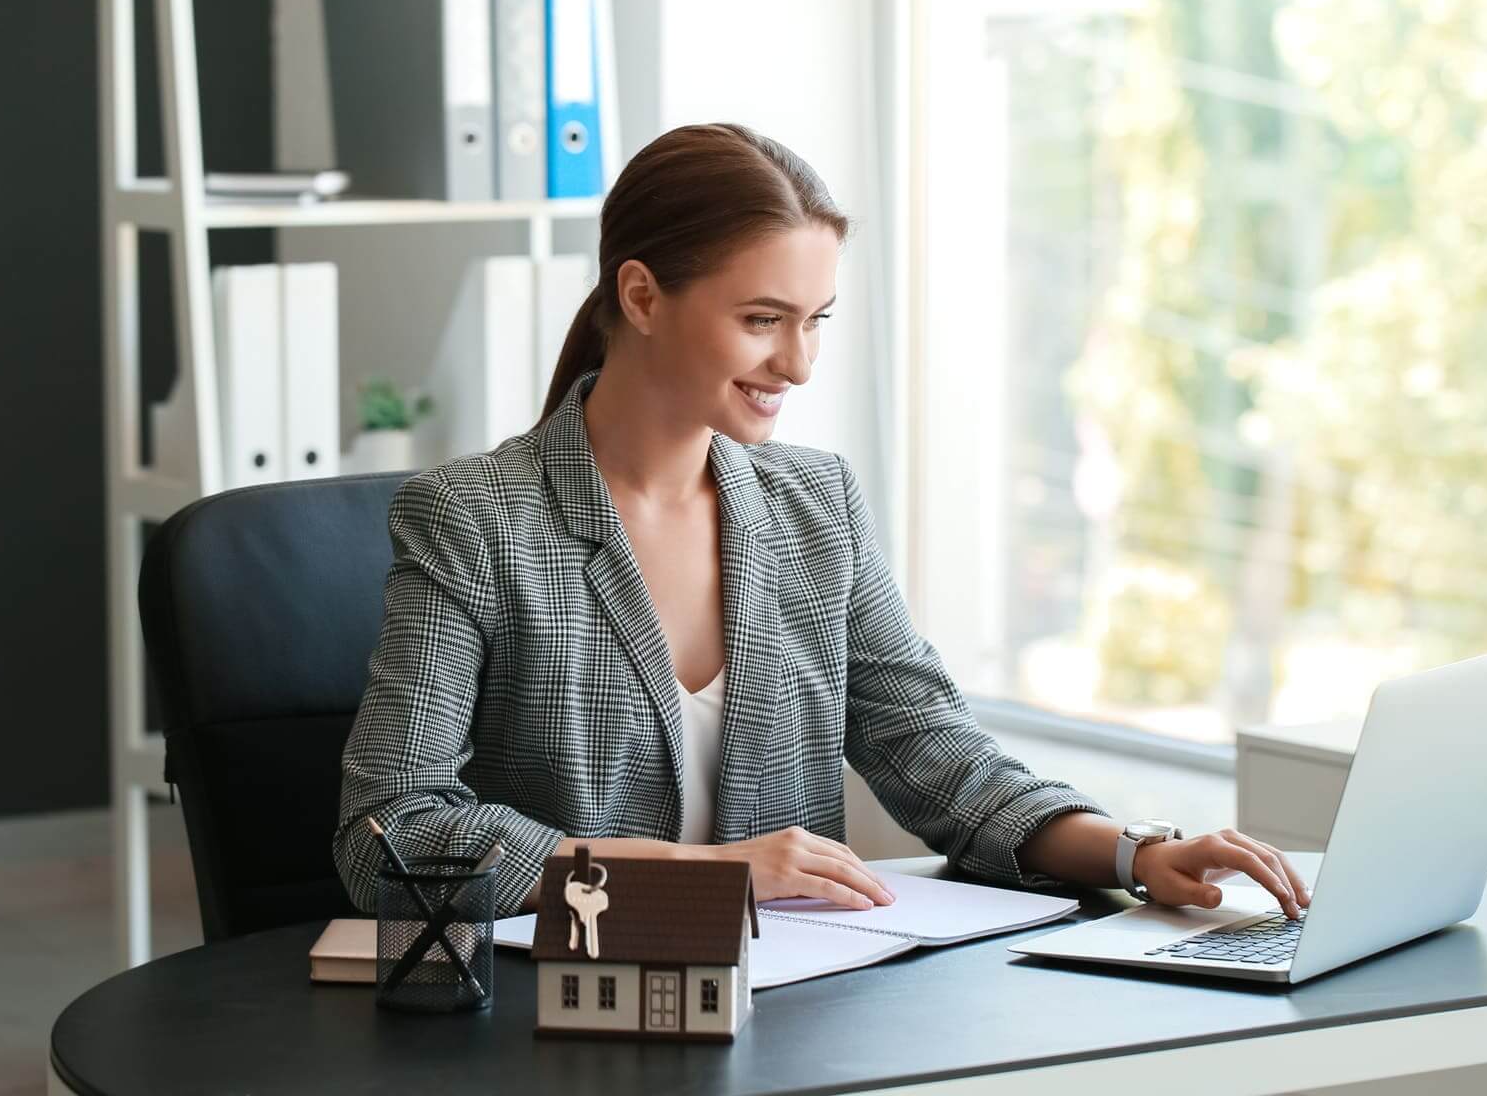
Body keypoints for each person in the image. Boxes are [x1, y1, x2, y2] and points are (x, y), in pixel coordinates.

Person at [334, 122, 1311, 923]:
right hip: (573, 1023)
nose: (798, 366)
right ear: (641, 296)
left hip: (800, 1016)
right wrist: (690, 879)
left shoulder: (816, 505)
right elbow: (392, 835)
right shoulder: (473, 520)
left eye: (817, 321)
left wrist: (1141, 852)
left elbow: (938, 754)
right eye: (763, 320)